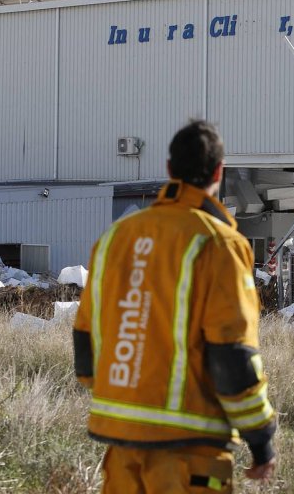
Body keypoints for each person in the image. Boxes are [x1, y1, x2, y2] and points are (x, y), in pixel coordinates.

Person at [73, 120, 277, 493]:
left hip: (121, 452)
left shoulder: (117, 237)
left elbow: (85, 341)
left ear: (169, 170)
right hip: (191, 455)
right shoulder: (219, 243)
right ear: (219, 171)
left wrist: (130, 394)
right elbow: (232, 355)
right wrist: (261, 438)